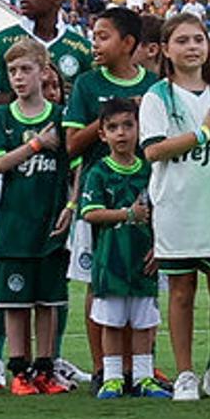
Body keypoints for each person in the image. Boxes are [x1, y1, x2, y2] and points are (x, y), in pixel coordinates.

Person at [139, 14, 210, 400]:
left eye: (199, 39)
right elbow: (152, 150)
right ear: (165, 49)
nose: (193, 47)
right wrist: (202, 134)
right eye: (182, 41)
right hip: (177, 205)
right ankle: (184, 373)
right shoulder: (157, 96)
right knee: (181, 292)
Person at [0, 44, 72, 394]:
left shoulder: (61, 115)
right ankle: (19, 369)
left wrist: (73, 204)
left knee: (48, 301)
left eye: (25, 70)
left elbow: (74, 167)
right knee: (16, 303)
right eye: (13, 71)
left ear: (43, 70)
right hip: (14, 226)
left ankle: (45, 368)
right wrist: (36, 145)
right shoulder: (3, 117)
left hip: (50, 224)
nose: (18, 77)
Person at [75, 98, 161, 399]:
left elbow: (162, 212)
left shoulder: (149, 171)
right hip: (110, 262)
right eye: (113, 128)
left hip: (144, 261)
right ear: (102, 135)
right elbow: (90, 213)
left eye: (128, 125)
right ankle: (112, 376)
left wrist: (160, 247)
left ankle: (143, 377)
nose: (121, 133)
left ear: (139, 128)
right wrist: (127, 214)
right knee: (111, 321)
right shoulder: (98, 173)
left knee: (143, 322)